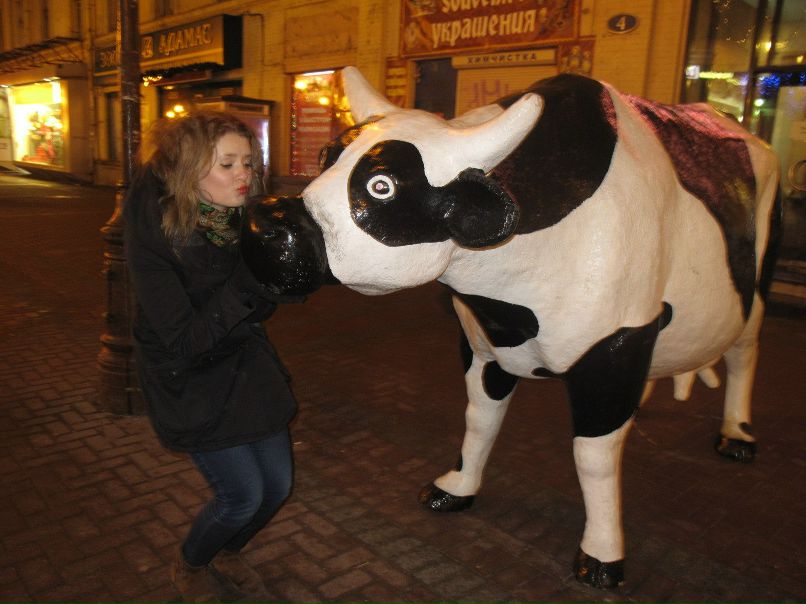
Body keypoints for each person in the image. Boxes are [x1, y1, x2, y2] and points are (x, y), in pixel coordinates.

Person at [124, 110, 302, 603]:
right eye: (227, 163)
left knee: (277, 485)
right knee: (241, 495)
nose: (244, 174)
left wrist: (287, 274)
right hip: (188, 377)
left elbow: (257, 308)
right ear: (189, 170)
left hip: (243, 367)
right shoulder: (157, 238)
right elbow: (183, 339)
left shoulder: (235, 221)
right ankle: (193, 563)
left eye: (248, 162)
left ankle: (230, 551)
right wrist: (250, 286)